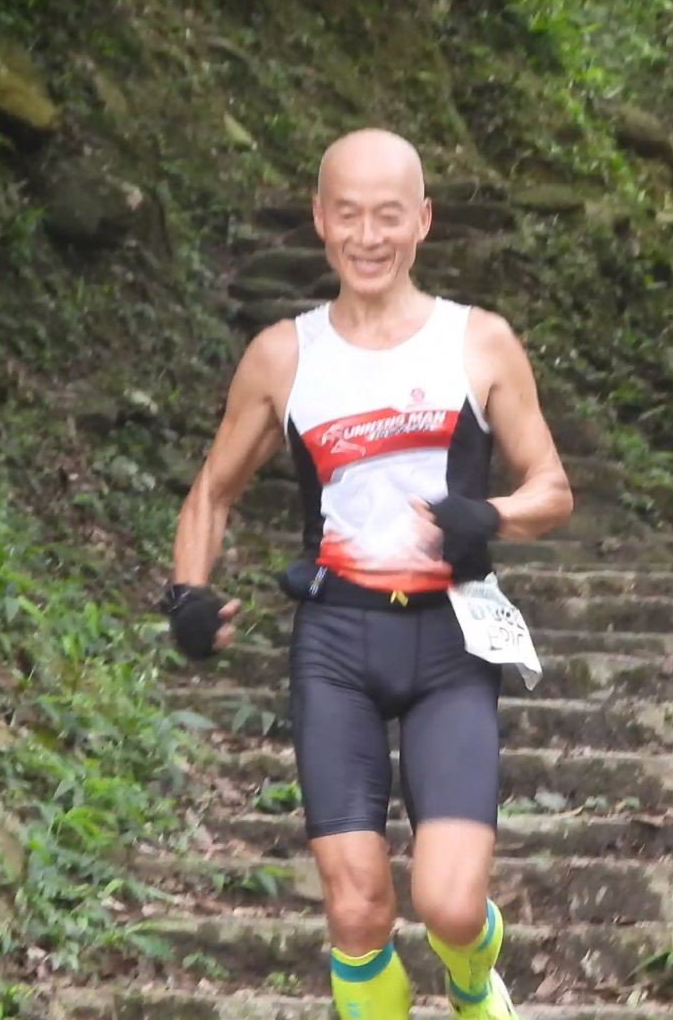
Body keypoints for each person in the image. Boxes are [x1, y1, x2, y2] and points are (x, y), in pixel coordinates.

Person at [159, 128, 573, 1019]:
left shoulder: (479, 342)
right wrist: (187, 594)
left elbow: (552, 488)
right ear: (320, 220)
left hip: (450, 639)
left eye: (388, 216)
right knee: (356, 910)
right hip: (337, 642)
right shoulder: (284, 355)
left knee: (449, 905)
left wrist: (492, 516)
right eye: (348, 215)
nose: (368, 236)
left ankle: (474, 980)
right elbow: (212, 490)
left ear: (423, 220)